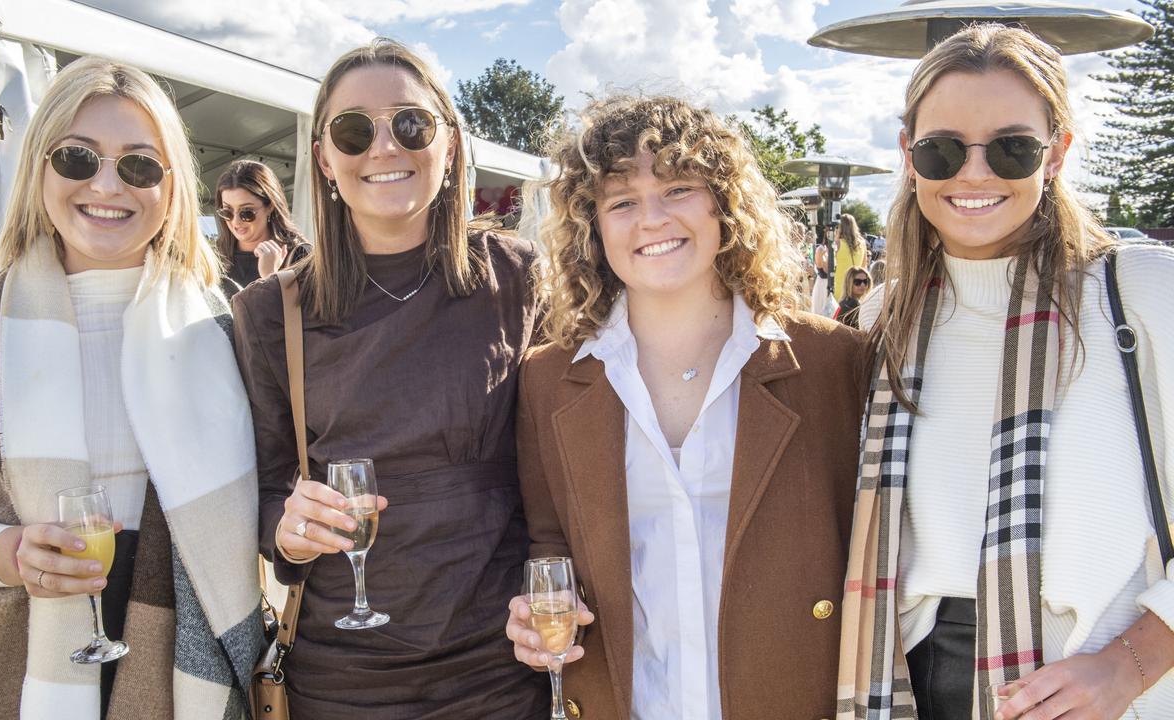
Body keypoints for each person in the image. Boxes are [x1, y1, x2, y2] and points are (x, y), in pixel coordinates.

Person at [0, 57, 261, 720]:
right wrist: (7, 552)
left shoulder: (226, 324)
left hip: (182, 644)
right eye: (78, 158)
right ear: (38, 166)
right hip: (21, 653)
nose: (107, 184)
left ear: (172, 186)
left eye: (139, 165)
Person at [838, 24, 1174, 720]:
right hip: (907, 685)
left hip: (1101, 689)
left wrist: (1129, 665)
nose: (974, 172)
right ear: (909, 155)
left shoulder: (1139, 294)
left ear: (1057, 155)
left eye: (1013, 148)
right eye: (942, 149)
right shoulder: (882, 320)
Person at [505, 95, 868, 719]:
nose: (651, 218)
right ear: (594, 227)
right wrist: (535, 619)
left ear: (723, 204)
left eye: (676, 188)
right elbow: (548, 542)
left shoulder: (833, 362)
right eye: (621, 201)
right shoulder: (546, 379)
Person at [231, 38, 546, 718]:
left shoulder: (519, 279)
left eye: (410, 123)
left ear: (452, 143)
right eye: (353, 130)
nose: (383, 148)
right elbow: (260, 489)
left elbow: (565, 467)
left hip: (496, 665)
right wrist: (285, 532)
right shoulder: (270, 311)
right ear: (323, 156)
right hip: (343, 674)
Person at [214, 159, 310, 298]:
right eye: (227, 212)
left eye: (247, 212)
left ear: (270, 206)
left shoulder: (300, 256)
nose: (236, 221)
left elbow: (313, 316)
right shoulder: (215, 259)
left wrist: (270, 277)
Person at [832, 212, 869, 299]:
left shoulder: (837, 243)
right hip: (857, 285)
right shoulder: (862, 243)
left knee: (838, 311)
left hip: (840, 285)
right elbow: (864, 266)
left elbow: (830, 265)